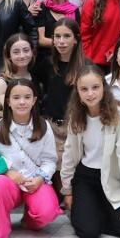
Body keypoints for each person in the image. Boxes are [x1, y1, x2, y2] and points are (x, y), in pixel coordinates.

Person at [60, 65, 120, 238]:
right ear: (77, 92)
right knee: (88, 233)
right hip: (86, 179)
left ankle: (99, 214)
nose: (90, 93)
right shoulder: (76, 117)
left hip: (113, 179)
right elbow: (69, 155)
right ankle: (90, 215)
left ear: (104, 88)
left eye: (95, 87)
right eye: (84, 89)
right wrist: (67, 191)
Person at [0, 78, 61, 238]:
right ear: (8, 101)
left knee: (46, 213)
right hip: (8, 184)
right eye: (16, 98)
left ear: (34, 100)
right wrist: (6, 172)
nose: (22, 102)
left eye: (27, 97)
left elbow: (50, 160)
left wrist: (40, 178)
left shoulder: (43, 126)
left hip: (34, 181)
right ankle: (2, 225)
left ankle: (29, 219)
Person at [37, 17, 82, 171]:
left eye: (67, 36)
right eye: (57, 36)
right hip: (52, 128)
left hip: (76, 129)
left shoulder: (86, 67)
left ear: (76, 40)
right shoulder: (47, 64)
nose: (61, 41)